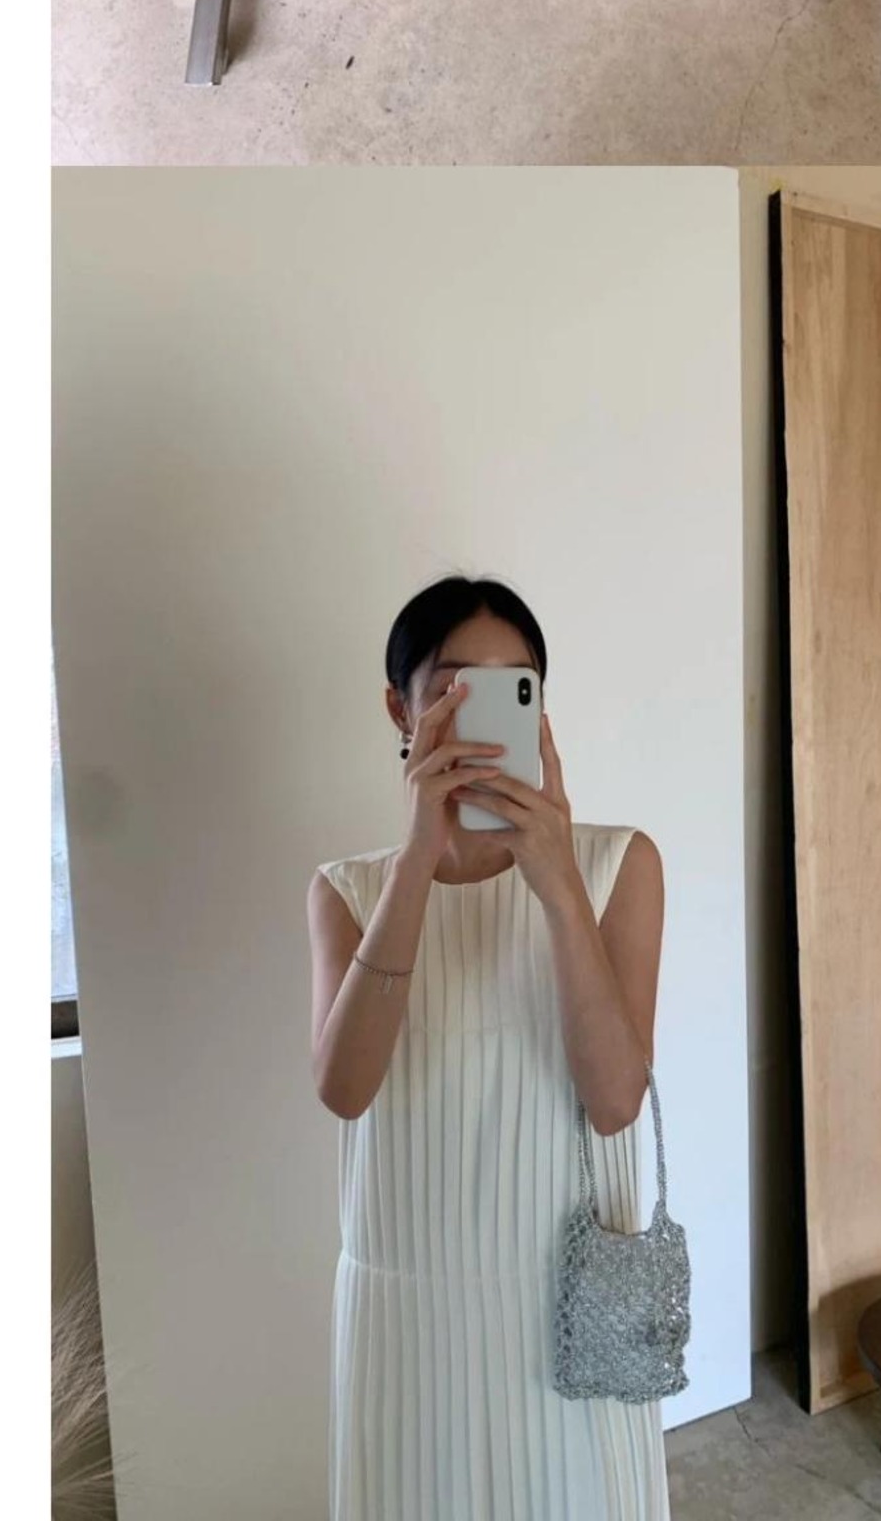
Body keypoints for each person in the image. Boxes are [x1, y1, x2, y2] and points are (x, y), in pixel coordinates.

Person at [309, 568, 669, 1515]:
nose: (480, 717)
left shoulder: (617, 865)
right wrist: (417, 861)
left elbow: (615, 1103)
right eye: (452, 689)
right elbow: (345, 1090)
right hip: (407, 1311)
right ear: (402, 710)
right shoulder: (347, 891)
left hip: (565, 1306)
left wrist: (555, 883)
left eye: (513, 688)